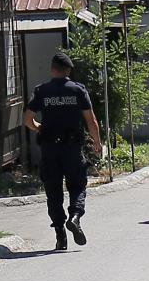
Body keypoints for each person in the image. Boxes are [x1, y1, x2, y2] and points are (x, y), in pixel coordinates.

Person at [24, 52, 102, 251]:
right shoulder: (78, 90)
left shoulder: (41, 91)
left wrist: (38, 127)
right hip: (72, 147)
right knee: (77, 185)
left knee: (53, 191)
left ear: (52, 69)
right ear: (68, 71)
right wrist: (97, 142)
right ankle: (75, 217)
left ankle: (60, 235)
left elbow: (27, 119)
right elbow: (91, 120)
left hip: (50, 148)